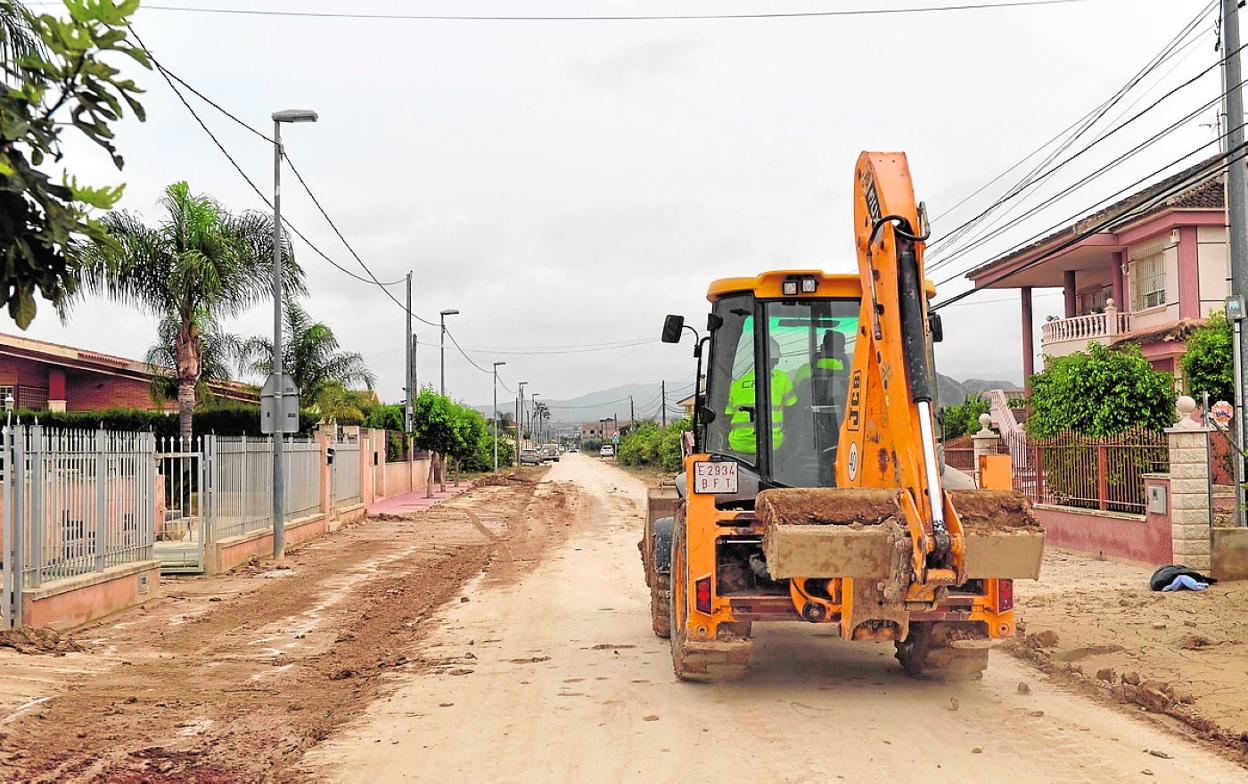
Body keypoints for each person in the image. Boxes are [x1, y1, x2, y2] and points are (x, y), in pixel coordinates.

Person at [726, 338, 797, 455]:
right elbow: (793, 412)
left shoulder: (738, 383)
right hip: (772, 445)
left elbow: (726, 418)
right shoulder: (781, 379)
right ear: (776, 360)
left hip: (738, 445)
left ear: (755, 358)